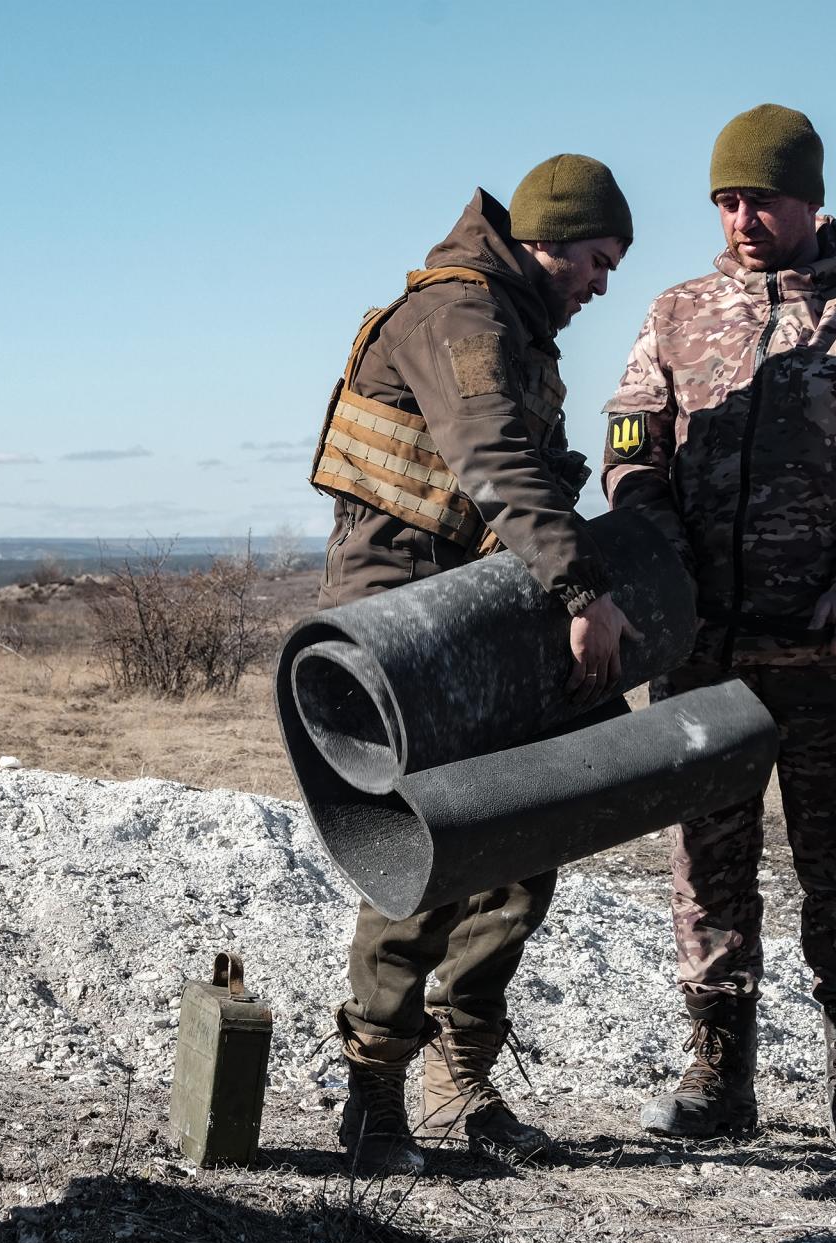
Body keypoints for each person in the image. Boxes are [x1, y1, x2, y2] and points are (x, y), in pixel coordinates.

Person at [601, 105, 836, 1152]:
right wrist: (662, 567)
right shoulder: (673, 313)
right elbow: (627, 454)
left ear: (809, 201)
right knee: (706, 865)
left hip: (827, 648)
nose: (740, 217)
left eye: (760, 198)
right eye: (724, 199)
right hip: (701, 652)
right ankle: (719, 1078)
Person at [309, 154, 637, 1172]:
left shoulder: (513, 324)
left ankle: (461, 1078)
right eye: (593, 259)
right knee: (430, 849)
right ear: (546, 241)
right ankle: (371, 1097)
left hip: (478, 608)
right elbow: (493, 462)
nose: (598, 283)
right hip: (406, 620)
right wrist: (582, 592)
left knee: (520, 835)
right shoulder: (460, 316)